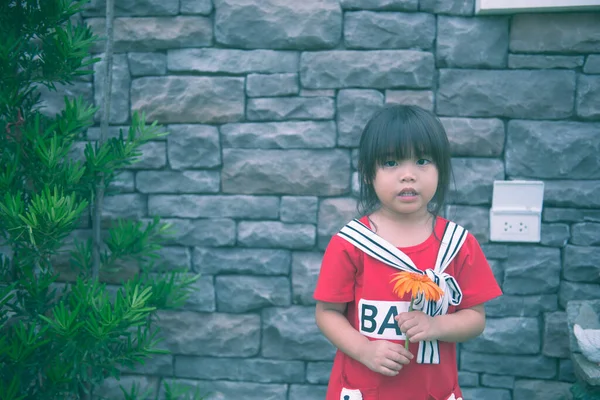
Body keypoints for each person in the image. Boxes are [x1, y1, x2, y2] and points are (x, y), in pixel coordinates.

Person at [313, 105, 502, 400]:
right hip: (365, 389)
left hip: (432, 391)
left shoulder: (458, 244)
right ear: (366, 174)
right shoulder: (351, 244)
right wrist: (364, 349)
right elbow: (327, 313)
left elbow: (475, 318)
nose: (408, 175)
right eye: (390, 163)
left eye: (423, 161)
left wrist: (436, 324)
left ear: (441, 169)